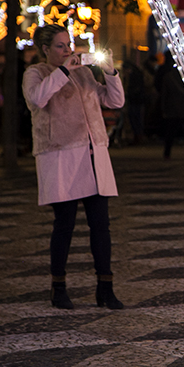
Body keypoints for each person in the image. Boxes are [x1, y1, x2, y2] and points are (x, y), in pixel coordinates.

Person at [22, 24, 124, 310]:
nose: (68, 50)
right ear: (45, 49)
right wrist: (64, 70)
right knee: (64, 225)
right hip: (60, 156)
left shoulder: (83, 72)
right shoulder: (36, 73)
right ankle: (58, 287)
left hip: (94, 155)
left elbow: (115, 101)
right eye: (60, 46)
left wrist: (110, 71)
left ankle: (106, 288)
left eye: (69, 44)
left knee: (101, 225)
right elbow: (37, 99)